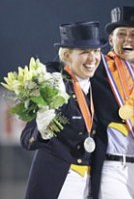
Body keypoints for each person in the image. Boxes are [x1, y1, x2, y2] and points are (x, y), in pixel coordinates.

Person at [20, 21, 107, 199]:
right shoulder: (53, 87)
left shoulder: (97, 88)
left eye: (96, 51)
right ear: (67, 55)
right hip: (59, 181)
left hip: (88, 184)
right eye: (84, 52)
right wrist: (43, 131)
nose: (92, 59)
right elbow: (26, 139)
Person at [90, 6, 134, 199]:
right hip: (111, 168)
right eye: (121, 34)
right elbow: (69, 64)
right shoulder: (97, 68)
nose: (127, 40)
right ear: (110, 40)